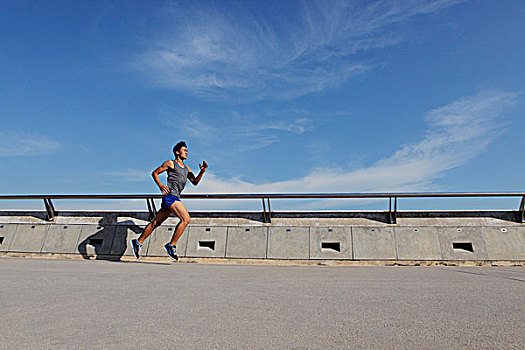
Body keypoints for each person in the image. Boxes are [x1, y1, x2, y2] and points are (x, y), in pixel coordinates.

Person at [130, 141, 207, 260]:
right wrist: (161, 185)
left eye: (187, 150)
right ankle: (172, 245)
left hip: (175, 197)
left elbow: (195, 182)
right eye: (184, 150)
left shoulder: (186, 168)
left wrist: (202, 171)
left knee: (155, 222)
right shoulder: (170, 163)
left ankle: (138, 242)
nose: (186, 152)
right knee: (185, 219)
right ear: (177, 152)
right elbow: (155, 173)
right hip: (170, 196)